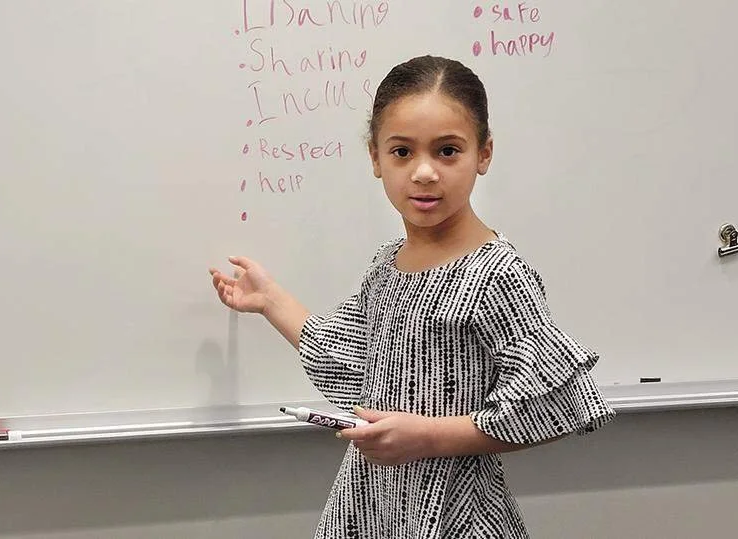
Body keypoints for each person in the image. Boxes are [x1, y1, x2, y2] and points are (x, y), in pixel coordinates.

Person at [210, 54, 615, 539]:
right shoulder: (387, 265)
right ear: (375, 158)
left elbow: (550, 406)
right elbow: (350, 359)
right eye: (402, 152)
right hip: (375, 504)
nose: (424, 172)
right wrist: (271, 300)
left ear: (484, 154)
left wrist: (429, 437)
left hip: (456, 515)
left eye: (447, 151)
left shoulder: (497, 275)